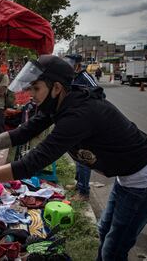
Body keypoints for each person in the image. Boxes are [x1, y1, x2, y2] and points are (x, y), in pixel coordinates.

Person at [0, 55, 147, 261]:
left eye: (36, 88)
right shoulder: (58, 104)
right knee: (104, 233)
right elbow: (22, 132)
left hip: (145, 181)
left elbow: (31, 163)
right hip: (126, 178)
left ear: (57, 87)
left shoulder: (79, 114)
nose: (31, 94)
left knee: (114, 247)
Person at [65, 54, 99, 201]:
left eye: (71, 64)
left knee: (84, 158)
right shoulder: (72, 77)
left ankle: (84, 192)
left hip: (87, 123)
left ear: (78, 65)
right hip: (77, 122)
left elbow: (98, 95)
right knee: (78, 157)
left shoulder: (86, 77)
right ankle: (79, 184)